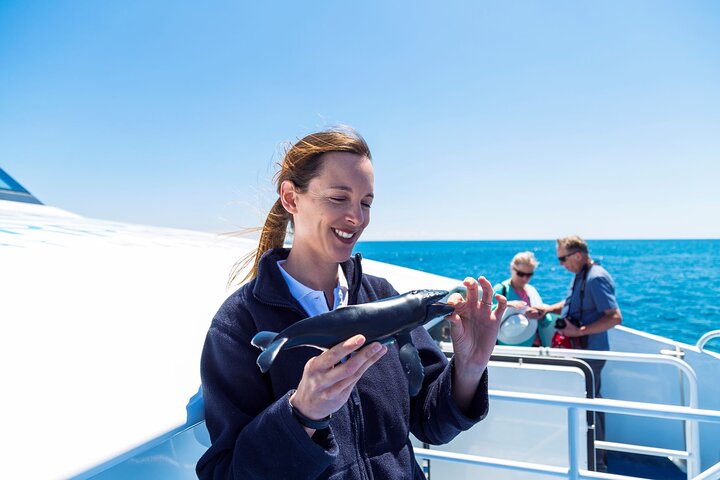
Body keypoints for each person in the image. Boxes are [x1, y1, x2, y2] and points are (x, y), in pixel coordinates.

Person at [196, 127, 507, 479]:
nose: (356, 218)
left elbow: (431, 423)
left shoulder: (384, 296)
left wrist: (469, 365)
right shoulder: (239, 323)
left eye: (366, 202)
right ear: (291, 198)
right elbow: (225, 473)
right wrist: (301, 414)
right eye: (338, 198)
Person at [541, 235, 622, 471]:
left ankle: (597, 461)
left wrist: (578, 331)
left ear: (577, 255)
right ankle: (588, 455)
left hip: (590, 355)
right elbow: (573, 303)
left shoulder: (596, 278)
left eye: (562, 259)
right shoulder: (582, 275)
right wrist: (548, 309)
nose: (561, 264)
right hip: (581, 353)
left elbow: (614, 316)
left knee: (592, 404)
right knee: (586, 402)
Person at [493, 251, 552, 346]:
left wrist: (540, 315)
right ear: (512, 269)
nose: (525, 279)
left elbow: (546, 321)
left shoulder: (532, 291)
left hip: (534, 348)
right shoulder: (501, 289)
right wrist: (507, 304)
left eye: (529, 275)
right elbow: (486, 315)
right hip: (509, 350)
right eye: (521, 274)